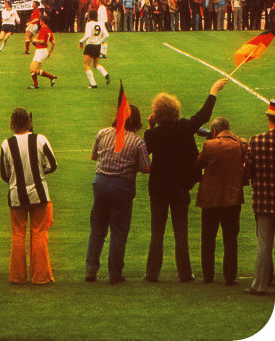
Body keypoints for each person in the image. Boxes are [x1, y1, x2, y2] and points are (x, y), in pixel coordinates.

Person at [144, 78, 227, 283]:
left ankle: (152, 273)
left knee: (157, 231)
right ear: (175, 110)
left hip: (158, 188)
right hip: (180, 187)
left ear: (157, 113)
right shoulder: (184, 127)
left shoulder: (152, 134)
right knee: (180, 231)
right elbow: (204, 114)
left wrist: (150, 126)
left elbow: (145, 154)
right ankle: (184, 273)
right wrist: (213, 90)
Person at [85, 103, 149, 284]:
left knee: (97, 229)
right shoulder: (137, 141)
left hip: (100, 183)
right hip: (122, 187)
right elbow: (145, 167)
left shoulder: (102, 133)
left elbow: (93, 157)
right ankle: (115, 273)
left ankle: (91, 270)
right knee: (118, 231)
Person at [0, 108, 57, 285]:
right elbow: (52, 165)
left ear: (12, 123)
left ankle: (17, 276)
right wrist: (39, 172)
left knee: (18, 235)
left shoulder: (6, 144)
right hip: (38, 194)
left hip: (16, 195)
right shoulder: (40, 139)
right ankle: (40, 277)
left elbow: (4, 173)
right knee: (39, 233)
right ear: (29, 122)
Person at [196, 116, 246, 286]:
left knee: (208, 237)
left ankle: (208, 275)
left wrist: (210, 140)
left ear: (215, 131)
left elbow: (199, 163)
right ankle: (230, 276)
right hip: (232, 199)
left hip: (210, 198)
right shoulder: (241, 144)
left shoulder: (210, 145)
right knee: (230, 238)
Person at [243, 99, 275, 295]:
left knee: (264, 244)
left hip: (264, 201)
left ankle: (260, 284)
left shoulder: (257, 140)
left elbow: (247, 171)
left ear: (268, 118)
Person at [79, 9, 111, 89]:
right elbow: (107, 35)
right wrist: (100, 41)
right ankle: (105, 74)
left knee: (86, 65)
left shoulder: (89, 24)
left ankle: (93, 84)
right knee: (95, 64)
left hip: (90, 45)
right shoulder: (100, 24)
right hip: (97, 46)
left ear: (89, 16)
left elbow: (88, 35)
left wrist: (81, 41)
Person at [28, 20, 58, 89]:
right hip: (42, 51)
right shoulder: (48, 30)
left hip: (41, 51)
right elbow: (53, 43)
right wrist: (49, 52)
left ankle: (52, 77)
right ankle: (36, 84)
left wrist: (35, 40)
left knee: (34, 69)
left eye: (40, 21)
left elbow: (42, 41)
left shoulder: (43, 29)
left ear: (42, 21)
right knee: (32, 68)